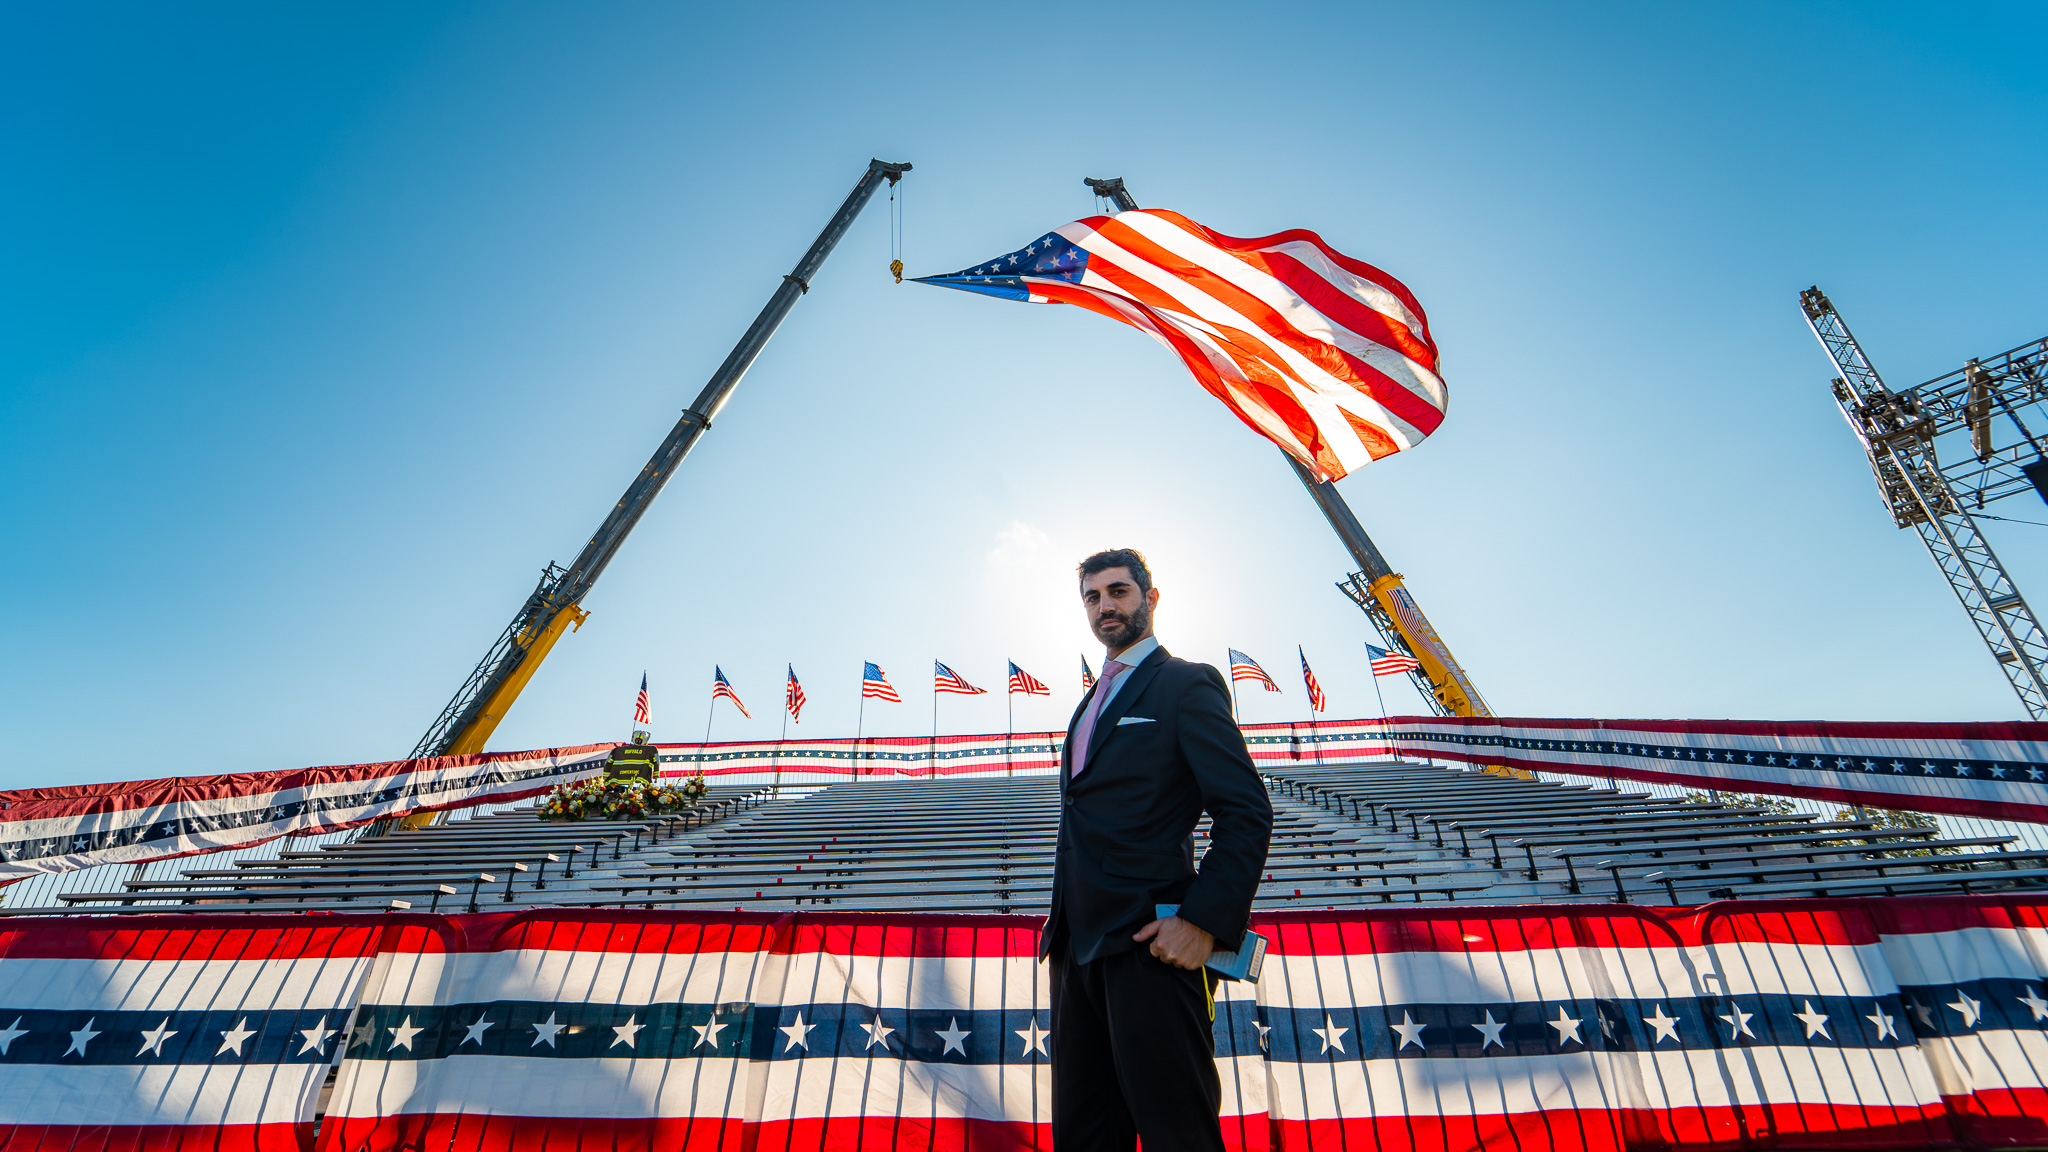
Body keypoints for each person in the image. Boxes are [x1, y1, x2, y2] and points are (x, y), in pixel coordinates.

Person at [1042, 548, 1273, 1152]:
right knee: (1085, 1138)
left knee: (1178, 1133)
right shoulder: (1086, 705)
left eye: (1118, 591)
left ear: (1150, 597)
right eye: (1092, 597)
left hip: (1152, 945)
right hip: (1074, 954)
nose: (1104, 606)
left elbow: (1246, 812)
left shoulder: (1185, 682)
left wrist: (1202, 922)